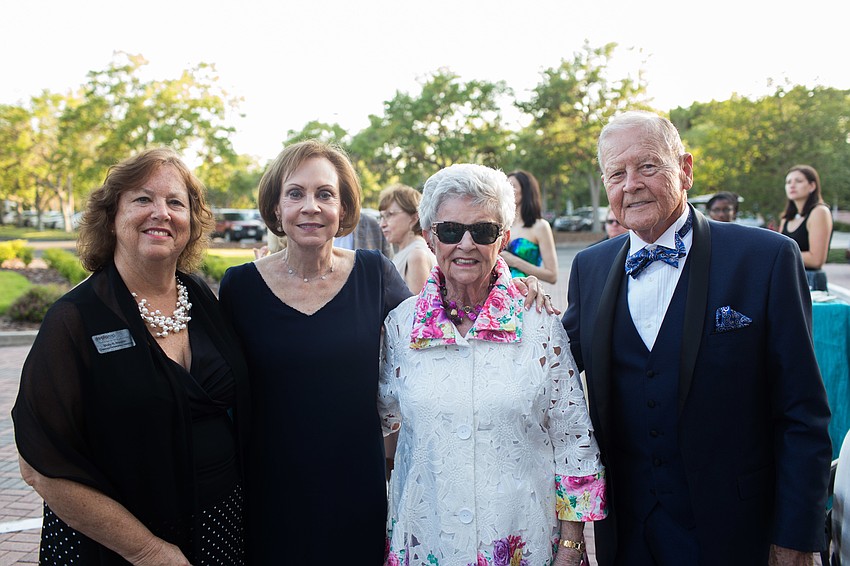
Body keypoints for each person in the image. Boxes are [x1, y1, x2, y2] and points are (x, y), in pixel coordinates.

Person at [218, 140, 555, 563]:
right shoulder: (240, 287)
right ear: (275, 205)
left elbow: (439, 315)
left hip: (354, 486)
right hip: (268, 485)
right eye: (296, 193)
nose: (311, 207)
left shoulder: (372, 273)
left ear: (343, 208)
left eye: (325, 194)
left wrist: (512, 288)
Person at [562, 111, 832, 565]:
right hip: (626, 536)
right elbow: (548, 366)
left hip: (736, 533)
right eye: (616, 173)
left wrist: (796, 537)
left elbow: (802, 414)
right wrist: (508, 293)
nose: (631, 184)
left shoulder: (765, 259)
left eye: (648, 166)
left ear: (684, 169)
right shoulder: (589, 268)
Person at [12, 148, 250, 565]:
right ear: (111, 217)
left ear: (191, 224)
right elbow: (39, 464)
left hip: (218, 532)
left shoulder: (203, 300)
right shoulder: (74, 319)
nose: (161, 212)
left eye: (175, 202)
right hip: (116, 548)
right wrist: (147, 552)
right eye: (143, 199)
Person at [380, 163, 606, 566]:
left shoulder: (540, 324)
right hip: (429, 542)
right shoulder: (400, 326)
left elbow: (574, 443)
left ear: (502, 238)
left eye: (482, 231)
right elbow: (384, 429)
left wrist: (571, 549)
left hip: (524, 542)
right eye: (450, 230)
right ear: (431, 238)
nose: (465, 243)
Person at [780, 165, 833, 291]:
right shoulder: (786, 217)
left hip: (810, 282)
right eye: (788, 182)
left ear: (812, 186)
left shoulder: (819, 212)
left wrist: (781, 254)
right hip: (788, 279)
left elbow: (816, 259)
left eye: (798, 181)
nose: (792, 185)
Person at [500, 169, 558, 283]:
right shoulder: (501, 225)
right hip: (497, 294)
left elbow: (552, 276)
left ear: (525, 191)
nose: (508, 190)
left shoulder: (540, 226)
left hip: (525, 294)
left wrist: (514, 261)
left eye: (513, 186)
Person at [378, 183, 436, 294]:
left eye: (390, 214)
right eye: (381, 216)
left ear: (414, 217)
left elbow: (418, 308)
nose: (382, 224)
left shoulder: (416, 255)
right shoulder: (406, 251)